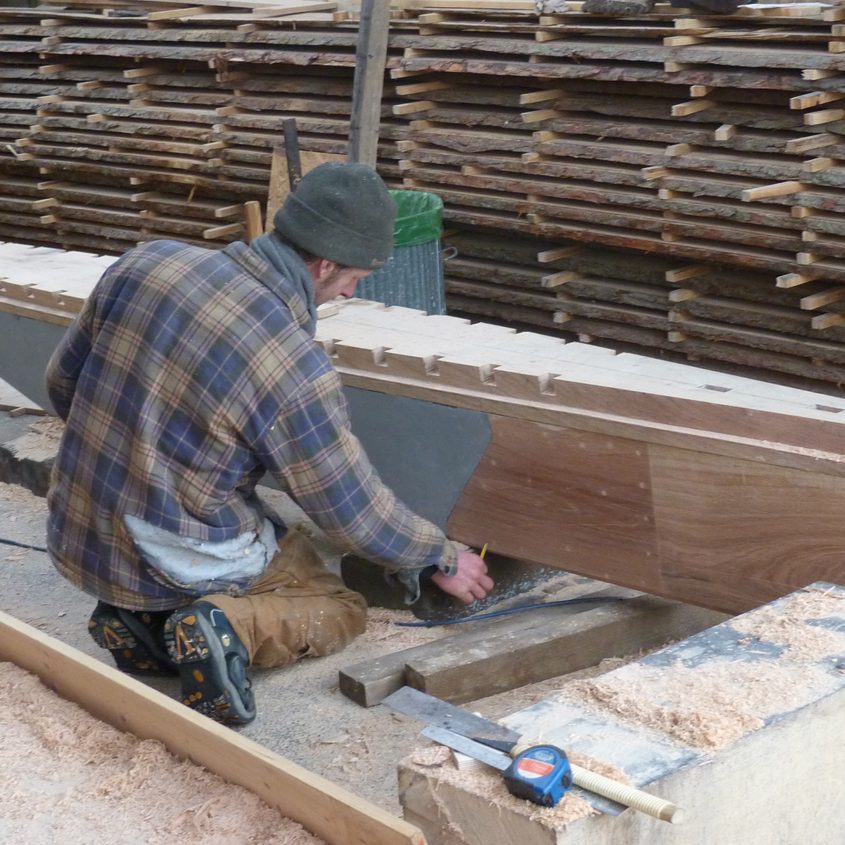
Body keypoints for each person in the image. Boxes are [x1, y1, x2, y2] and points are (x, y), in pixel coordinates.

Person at [45, 162, 494, 726]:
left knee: (266, 524)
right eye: (354, 276)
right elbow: (351, 513)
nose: (353, 290)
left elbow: (62, 384)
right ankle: (225, 627)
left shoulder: (148, 262)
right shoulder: (288, 362)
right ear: (324, 263)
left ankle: (141, 624)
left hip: (77, 531)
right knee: (336, 605)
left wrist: (138, 451)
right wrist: (438, 555)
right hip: (166, 552)